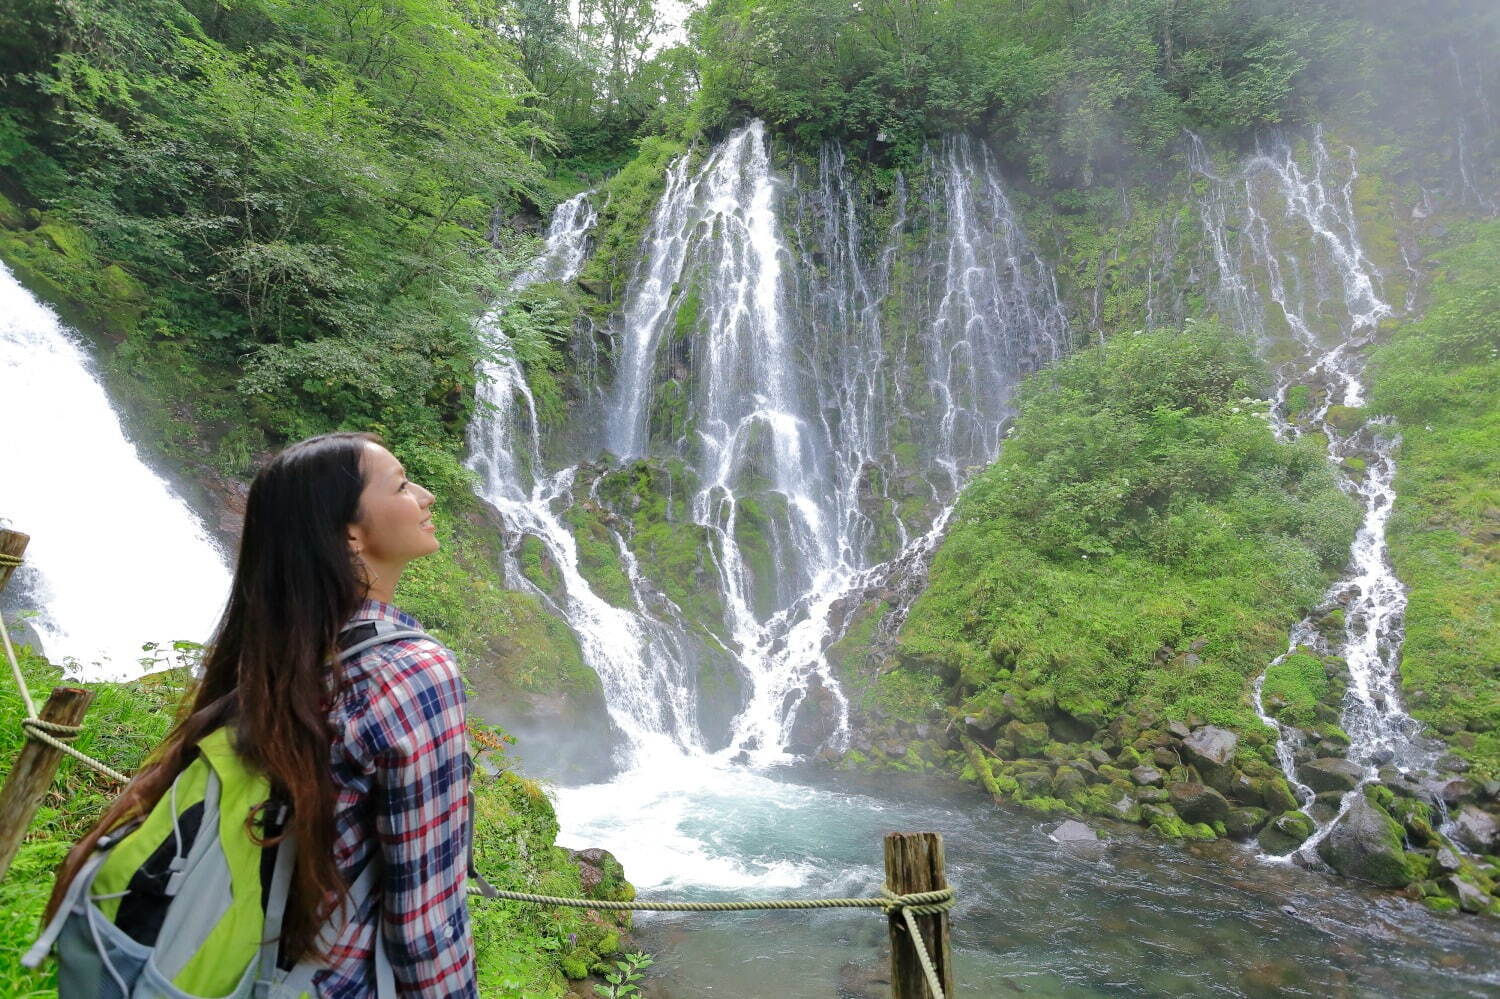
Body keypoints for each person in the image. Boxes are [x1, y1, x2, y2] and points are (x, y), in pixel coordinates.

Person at [43, 431, 477, 998]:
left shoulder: (272, 658)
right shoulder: (411, 672)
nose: (425, 496)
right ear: (350, 532)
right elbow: (426, 918)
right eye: (400, 485)